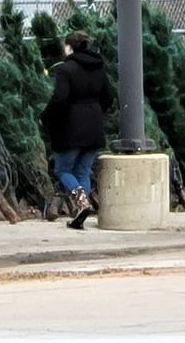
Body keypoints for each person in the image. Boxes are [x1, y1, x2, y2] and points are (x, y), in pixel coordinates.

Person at [40, 30, 115, 230]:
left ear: (69, 47)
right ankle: (82, 209)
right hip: (94, 125)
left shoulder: (66, 69)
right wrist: (95, 110)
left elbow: (60, 98)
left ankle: (82, 203)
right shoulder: (98, 68)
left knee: (62, 169)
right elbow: (109, 96)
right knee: (82, 170)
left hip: (71, 127)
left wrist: (45, 117)